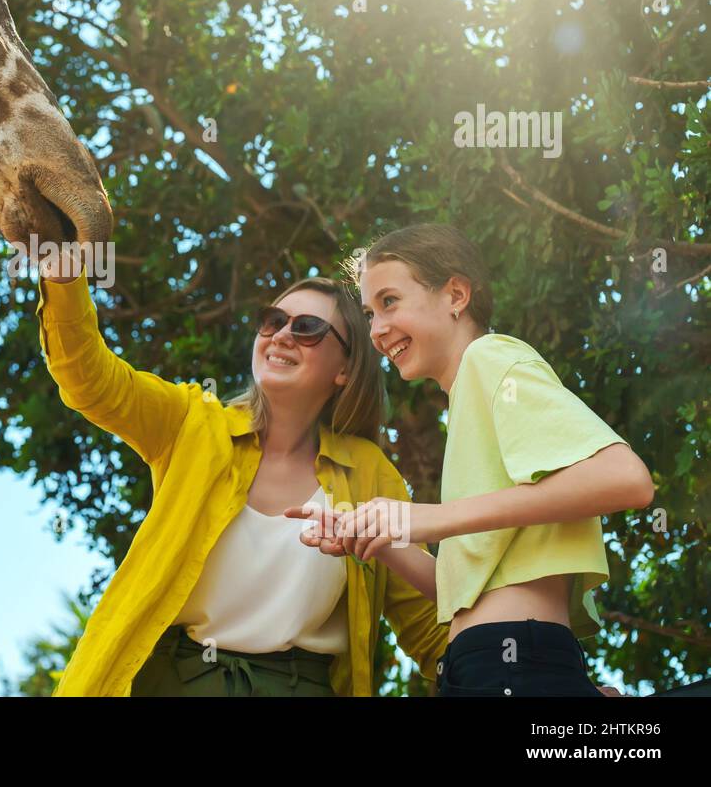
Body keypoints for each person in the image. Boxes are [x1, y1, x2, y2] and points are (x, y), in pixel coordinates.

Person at [36, 248, 449, 696]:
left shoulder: (371, 473)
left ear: (345, 369)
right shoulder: (191, 423)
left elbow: (426, 626)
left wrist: (509, 668)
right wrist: (63, 279)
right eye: (273, 321)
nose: (282, 336)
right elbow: (89, 380)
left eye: (308, 328)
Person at [296, 223, 652, 696]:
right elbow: (461, 596)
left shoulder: (490, 359)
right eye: (368, 312)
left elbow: (626, 478)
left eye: (389, 301)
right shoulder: (466, 401)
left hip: (510, 661)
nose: (377, 330)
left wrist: (433, 519)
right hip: (480, 663)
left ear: (456, 295)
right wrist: (380, 537)